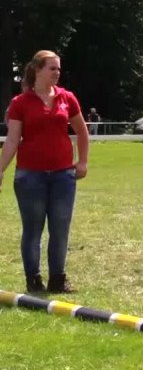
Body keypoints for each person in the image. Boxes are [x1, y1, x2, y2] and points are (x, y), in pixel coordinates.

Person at [0, 50, 89, 294]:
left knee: (60, 229)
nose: (57, 73)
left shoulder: (67, 98)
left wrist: (82, 162)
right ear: (38, 70)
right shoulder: (20, 103)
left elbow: (82, 132)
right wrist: (0, 170)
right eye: (52, 68)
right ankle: (33, 280)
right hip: (30, 177)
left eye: (58, 69)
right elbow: (12, 141)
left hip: (63, 175)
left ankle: (58, 280)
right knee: (33, 229)